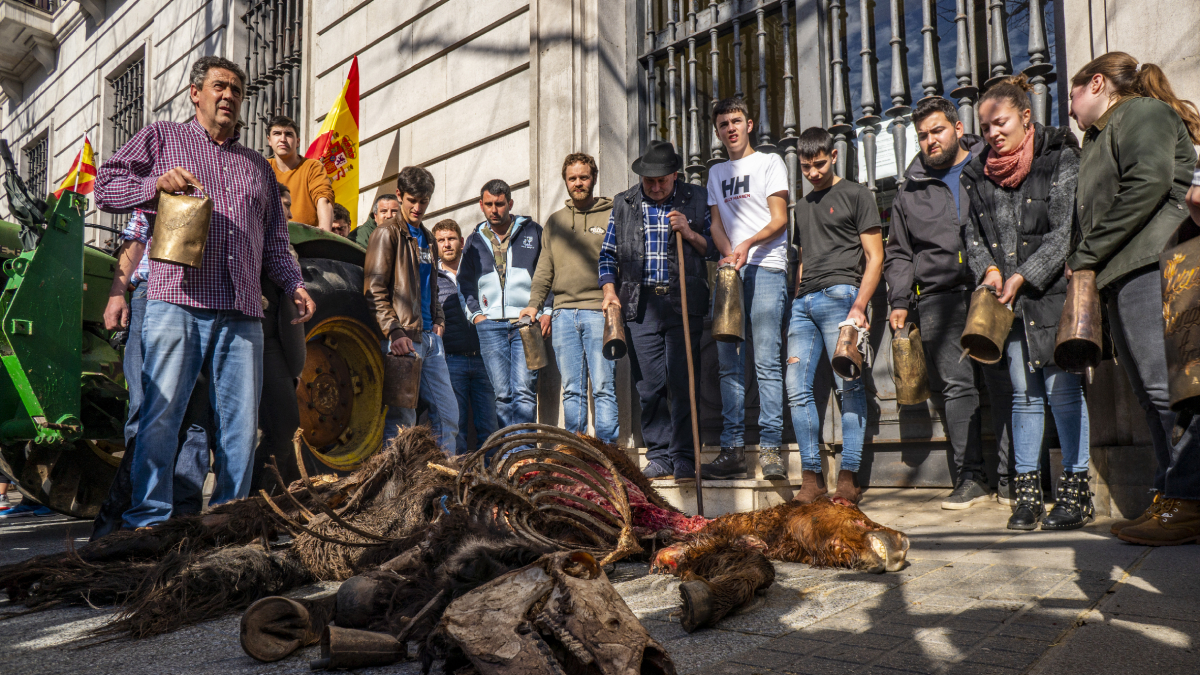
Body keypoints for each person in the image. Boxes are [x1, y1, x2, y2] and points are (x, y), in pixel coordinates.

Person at [94, 56, 315, 529]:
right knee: (161, 415)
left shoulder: (258, 167)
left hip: (242, 312)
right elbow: (105, 188)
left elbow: (276, 242)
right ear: (196, 93)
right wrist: (154, 184)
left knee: (240, 428)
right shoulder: (162, 138)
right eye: (220, 86)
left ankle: (228, 521)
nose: (229, 95)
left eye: (236, 89)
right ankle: (149, 520)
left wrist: (294, 284)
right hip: (177, 302)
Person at [1066, 52, 1200, 545]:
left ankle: (1189, 500)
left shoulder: (1141, 113)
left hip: (1156, 263)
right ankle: (1170, 494)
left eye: (1072, 95)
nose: (1070, 108)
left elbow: (1149, 183)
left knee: (1171, 393)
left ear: (1096, 83)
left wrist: (1086, 254)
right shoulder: (1100, 136)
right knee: (1150, 395)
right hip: (1124, 270)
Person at [961, 76, 1089, 531]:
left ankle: (1077, 490)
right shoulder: (976, 174)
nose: (993, 133)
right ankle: (1028, 494)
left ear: (1025, 117)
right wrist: (990, 271)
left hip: (1050, 292)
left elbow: (1064, 231)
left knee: (1062, 391)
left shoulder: (1059, 157)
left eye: (1001, 122)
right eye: (985, 127)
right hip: (1007, 302)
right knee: (1023, 395)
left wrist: (1023, 275)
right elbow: (972, 236)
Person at [885, 97, 1016, 510]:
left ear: (958, 128)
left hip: (989, 288)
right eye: (922, 135)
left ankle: (1013, 477)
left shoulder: (988, 164)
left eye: (937, 131)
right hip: (937, 297)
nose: (930, 141)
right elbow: (899, 252)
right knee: (957, 391)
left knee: (1002, 383)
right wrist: (900, 299)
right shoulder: (909, 189)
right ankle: (970, 477)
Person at [599, 140, 717, 481]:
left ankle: (684, 457)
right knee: (649, 387)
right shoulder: (624, 203)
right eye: (649, 181)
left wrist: (689, 232)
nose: (654, 187)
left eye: (661, 181)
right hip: (640, 305)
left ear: (674, 175)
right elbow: (607, 255)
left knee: (684, 383)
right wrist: (610, 292)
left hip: (683, 302)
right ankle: (660, 455)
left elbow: (713, 248)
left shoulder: (696, 198)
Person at [92, 209, 213, 539]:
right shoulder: (160, 185)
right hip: (153, 292)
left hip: (205, 297)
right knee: (146, 411)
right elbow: (136, 233)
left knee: (194, 415)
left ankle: (184, 517)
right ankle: (130, 514)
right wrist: (117, 293)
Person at [788, 127, 883, 504]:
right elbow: (802, 259)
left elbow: (875, 256)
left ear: (834, 155)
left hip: (842, 297)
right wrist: (797, 298)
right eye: (805, 167)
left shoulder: (857, 195)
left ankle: (848, 478)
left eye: (819, 164)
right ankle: (812, 479)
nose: (813, 172)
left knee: (850, 385)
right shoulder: (801, 206)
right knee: (796, 389)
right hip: (803, 304)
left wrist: (859, 305)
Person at [702, 98, 791, 481]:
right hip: (730, 274)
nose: (731, 129)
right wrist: (728, 255)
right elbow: (716, 224)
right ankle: (733, 450)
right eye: (723, 124)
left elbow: (780, 219)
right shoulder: (716, 172)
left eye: (736, 121)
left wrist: (746, 246)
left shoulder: (770, 162)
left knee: (767, 361)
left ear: (749, 124)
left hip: (766, 268)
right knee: (728, 365)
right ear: (718, 131)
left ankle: (771, 451)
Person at [519, 153, 618, 444]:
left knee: (603, 386)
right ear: (565, 181)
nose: (578, 183)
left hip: (599, 311)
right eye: (572, 178)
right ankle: (575, 451)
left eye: (583, 177)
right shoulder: (555, 222)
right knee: (572, 389)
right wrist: (534, 304)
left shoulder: (612, 215)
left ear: (593, 178)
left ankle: (608, 452)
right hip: (563, 314)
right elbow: (544, 270)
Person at [363, 166, 458, 453]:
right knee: (401, 421)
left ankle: (442, 478)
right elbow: (373, 289)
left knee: (448, 416)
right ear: (399, 195)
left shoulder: (428, 237)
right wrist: (394, 331)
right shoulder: (386, 233)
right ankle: (393, 481)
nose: (418, 208)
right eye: (412, 200)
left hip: (431, 340)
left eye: (424, 201)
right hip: (402, 340)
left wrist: (439, 317)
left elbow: (431, 286)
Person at [458, 179, 551, 430]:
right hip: (489, 327)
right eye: (488, 204)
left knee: (524, 392)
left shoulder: (533, 232)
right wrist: (477, 316)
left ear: (510, 203)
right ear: (481, 205)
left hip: (526, 323)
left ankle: (524, 451)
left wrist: (546, 310)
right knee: (501, 396)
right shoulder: (474, 240)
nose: (494, 210)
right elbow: (464, 283)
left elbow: (547, 273)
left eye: (499, 204)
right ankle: (510, 450)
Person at [433, 218, 498, 454]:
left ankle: (490, 471)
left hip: (484, 357)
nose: (446, 244)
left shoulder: (477, 271)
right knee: (456, 425)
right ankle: (458, 473)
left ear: (461, 242)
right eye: (441, 240)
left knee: (489, 425)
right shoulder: (432, 277)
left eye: (451, 239)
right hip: (452, 360)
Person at [267, 115, 335, 231]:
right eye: (277, 133)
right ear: (269, 140)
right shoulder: (263, 167)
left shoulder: (312, 167)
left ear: (298, 141)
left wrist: (324, 237)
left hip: (306, 238)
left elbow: (324, 199)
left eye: (288, 134)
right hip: (271, 237)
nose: (283, 139)